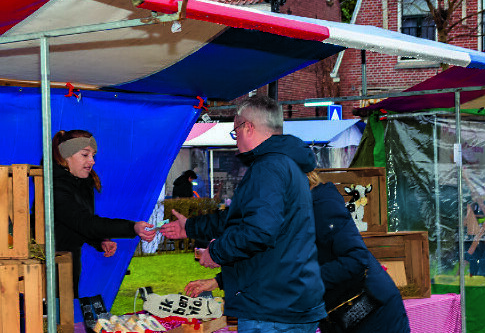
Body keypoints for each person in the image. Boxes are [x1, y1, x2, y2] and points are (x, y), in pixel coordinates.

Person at [160, 96, 325, 333]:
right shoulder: (285, 164)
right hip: (287, 301)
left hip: (272, 308)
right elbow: (240, 219)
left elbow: (258, 231)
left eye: (235, 129)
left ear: (248, 127)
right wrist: (191, 227)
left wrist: (216, 253)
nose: (235, 137)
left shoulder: (268, 167)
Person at [182, 170, 411, 333]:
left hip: (373, 312)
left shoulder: (322, 206)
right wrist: (219, 281)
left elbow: (355, 260)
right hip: (339, 316)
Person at [51, 129, 156, 296]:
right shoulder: (55, 187)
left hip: (68, 264)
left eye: (93, 155)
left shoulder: (83, 183)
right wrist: (132, 228)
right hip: (48, 266)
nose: (92, 161)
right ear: (65, 156)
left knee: (66, 315)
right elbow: (84, 223)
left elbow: (78, 223)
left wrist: (99, 241)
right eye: (85, 155)